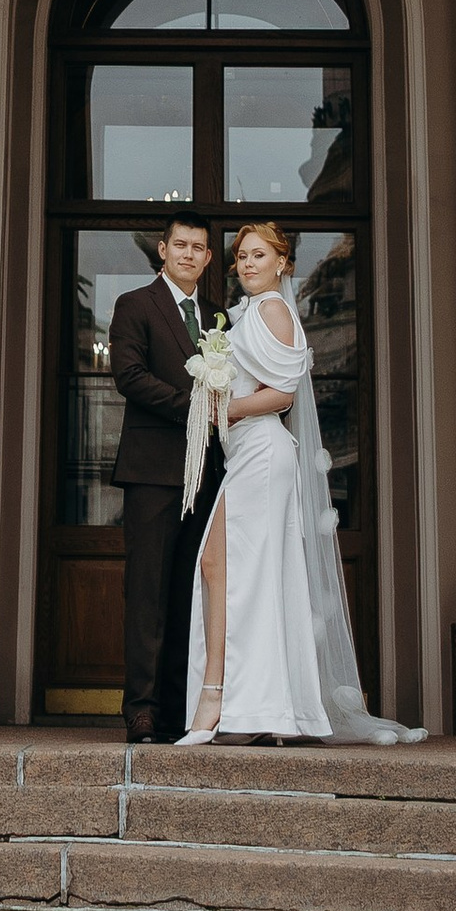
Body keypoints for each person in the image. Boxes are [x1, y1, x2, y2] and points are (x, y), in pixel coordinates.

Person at [177, 213, 421, 746]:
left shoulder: (272, 310)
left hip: (263, 451)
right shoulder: (248, 313)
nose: (247, 264)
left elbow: (282, 394)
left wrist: (226, 409)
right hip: (247, 452)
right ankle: (243, 704)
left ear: (282, 263)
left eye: (258, 255)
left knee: (228, 568)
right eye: (242, 257)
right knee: (235, 571)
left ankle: (223, 703)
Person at [106, 207, 221, 744]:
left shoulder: (219, 317)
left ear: (208, 256)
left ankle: (179, 709)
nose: (188, 255)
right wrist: (194, 409)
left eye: (198, 248)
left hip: (208, 475)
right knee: (148, 593)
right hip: (152, 471)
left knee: (190, 593)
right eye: (180, 245)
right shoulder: (135, 305)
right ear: (163, 249)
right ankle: (143, 710)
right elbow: (129, 376)